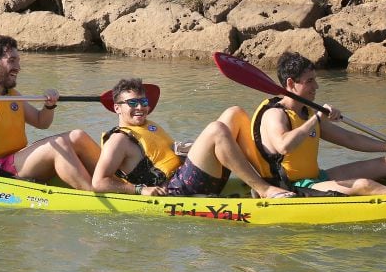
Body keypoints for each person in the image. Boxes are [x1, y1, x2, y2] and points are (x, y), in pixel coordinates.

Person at [249, 53, 386, 196]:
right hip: (292, 187)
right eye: (309, 81)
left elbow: (349, 138)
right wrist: (316, 121)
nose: (316, 86)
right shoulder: (275, 114)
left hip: (316, 177)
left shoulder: (307, 111)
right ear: (290, 84)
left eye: (315, 79)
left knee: (384, 163)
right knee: (363, 185)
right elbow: (283, 146)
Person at [0, 35, 101, 191]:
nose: (18, 67)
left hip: (15, 159)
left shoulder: (11, 95)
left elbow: (41, 122)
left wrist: (49, 105)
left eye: (18, 61)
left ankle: (113, 180)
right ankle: (93, 195)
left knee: (78, 136)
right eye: (12, 61)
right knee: (59, 147)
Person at [92, 77, 293, 199]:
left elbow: (165, 155)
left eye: (143, 101)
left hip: (185, 176)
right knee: (216, 129)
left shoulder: (149, 126)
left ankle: (268, 178)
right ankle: (264, 189)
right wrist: (139, 190)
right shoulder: (118, 140)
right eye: (132, 103)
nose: (140, 107)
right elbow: (99, 182)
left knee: (235, 113)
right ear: (117, 108)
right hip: (174, 190)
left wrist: (188, 147)